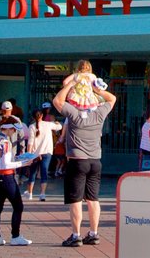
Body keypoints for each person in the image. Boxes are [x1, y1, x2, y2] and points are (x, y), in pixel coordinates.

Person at [52, 61, 116, 248]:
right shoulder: (100, 113)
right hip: (95, 160)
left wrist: (72, 84)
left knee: (76, 200)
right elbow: (112, 99)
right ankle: (94, 233)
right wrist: (97, 90)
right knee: (93, 199)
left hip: (77, 160)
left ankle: (76, 234)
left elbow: (58, 101)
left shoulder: (73, 113)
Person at [0, 117, 32, 247]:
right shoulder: (6, 142)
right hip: (7, 178)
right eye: (13, 130)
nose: (14, 132)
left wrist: (17, 158)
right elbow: (7, 164)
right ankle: (16, 236)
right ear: (8, 129)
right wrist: (24, 162)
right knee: (18, 206)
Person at [25, 108, 62, 201]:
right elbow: (60, 127)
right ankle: (42, 194)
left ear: (33, 117)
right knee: (44, 172)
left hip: (35, 154)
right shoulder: (48, 124)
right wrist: (57, 122)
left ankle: (30, 193)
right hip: (46, 152)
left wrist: (28, 154)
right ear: (42, 115)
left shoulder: (32, 126)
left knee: (32, 173)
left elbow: (30, 142)